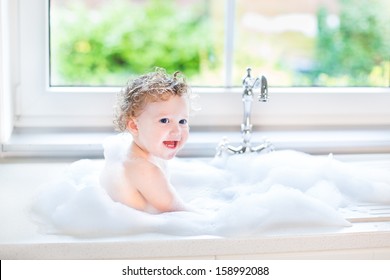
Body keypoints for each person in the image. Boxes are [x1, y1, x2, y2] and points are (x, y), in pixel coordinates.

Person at [100, 68, 190, 213]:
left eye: (182, 121)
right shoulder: (145, 170)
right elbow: (184, 214)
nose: (177, 131)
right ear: (134, 125)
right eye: (164, 120)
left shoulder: (138, 153)